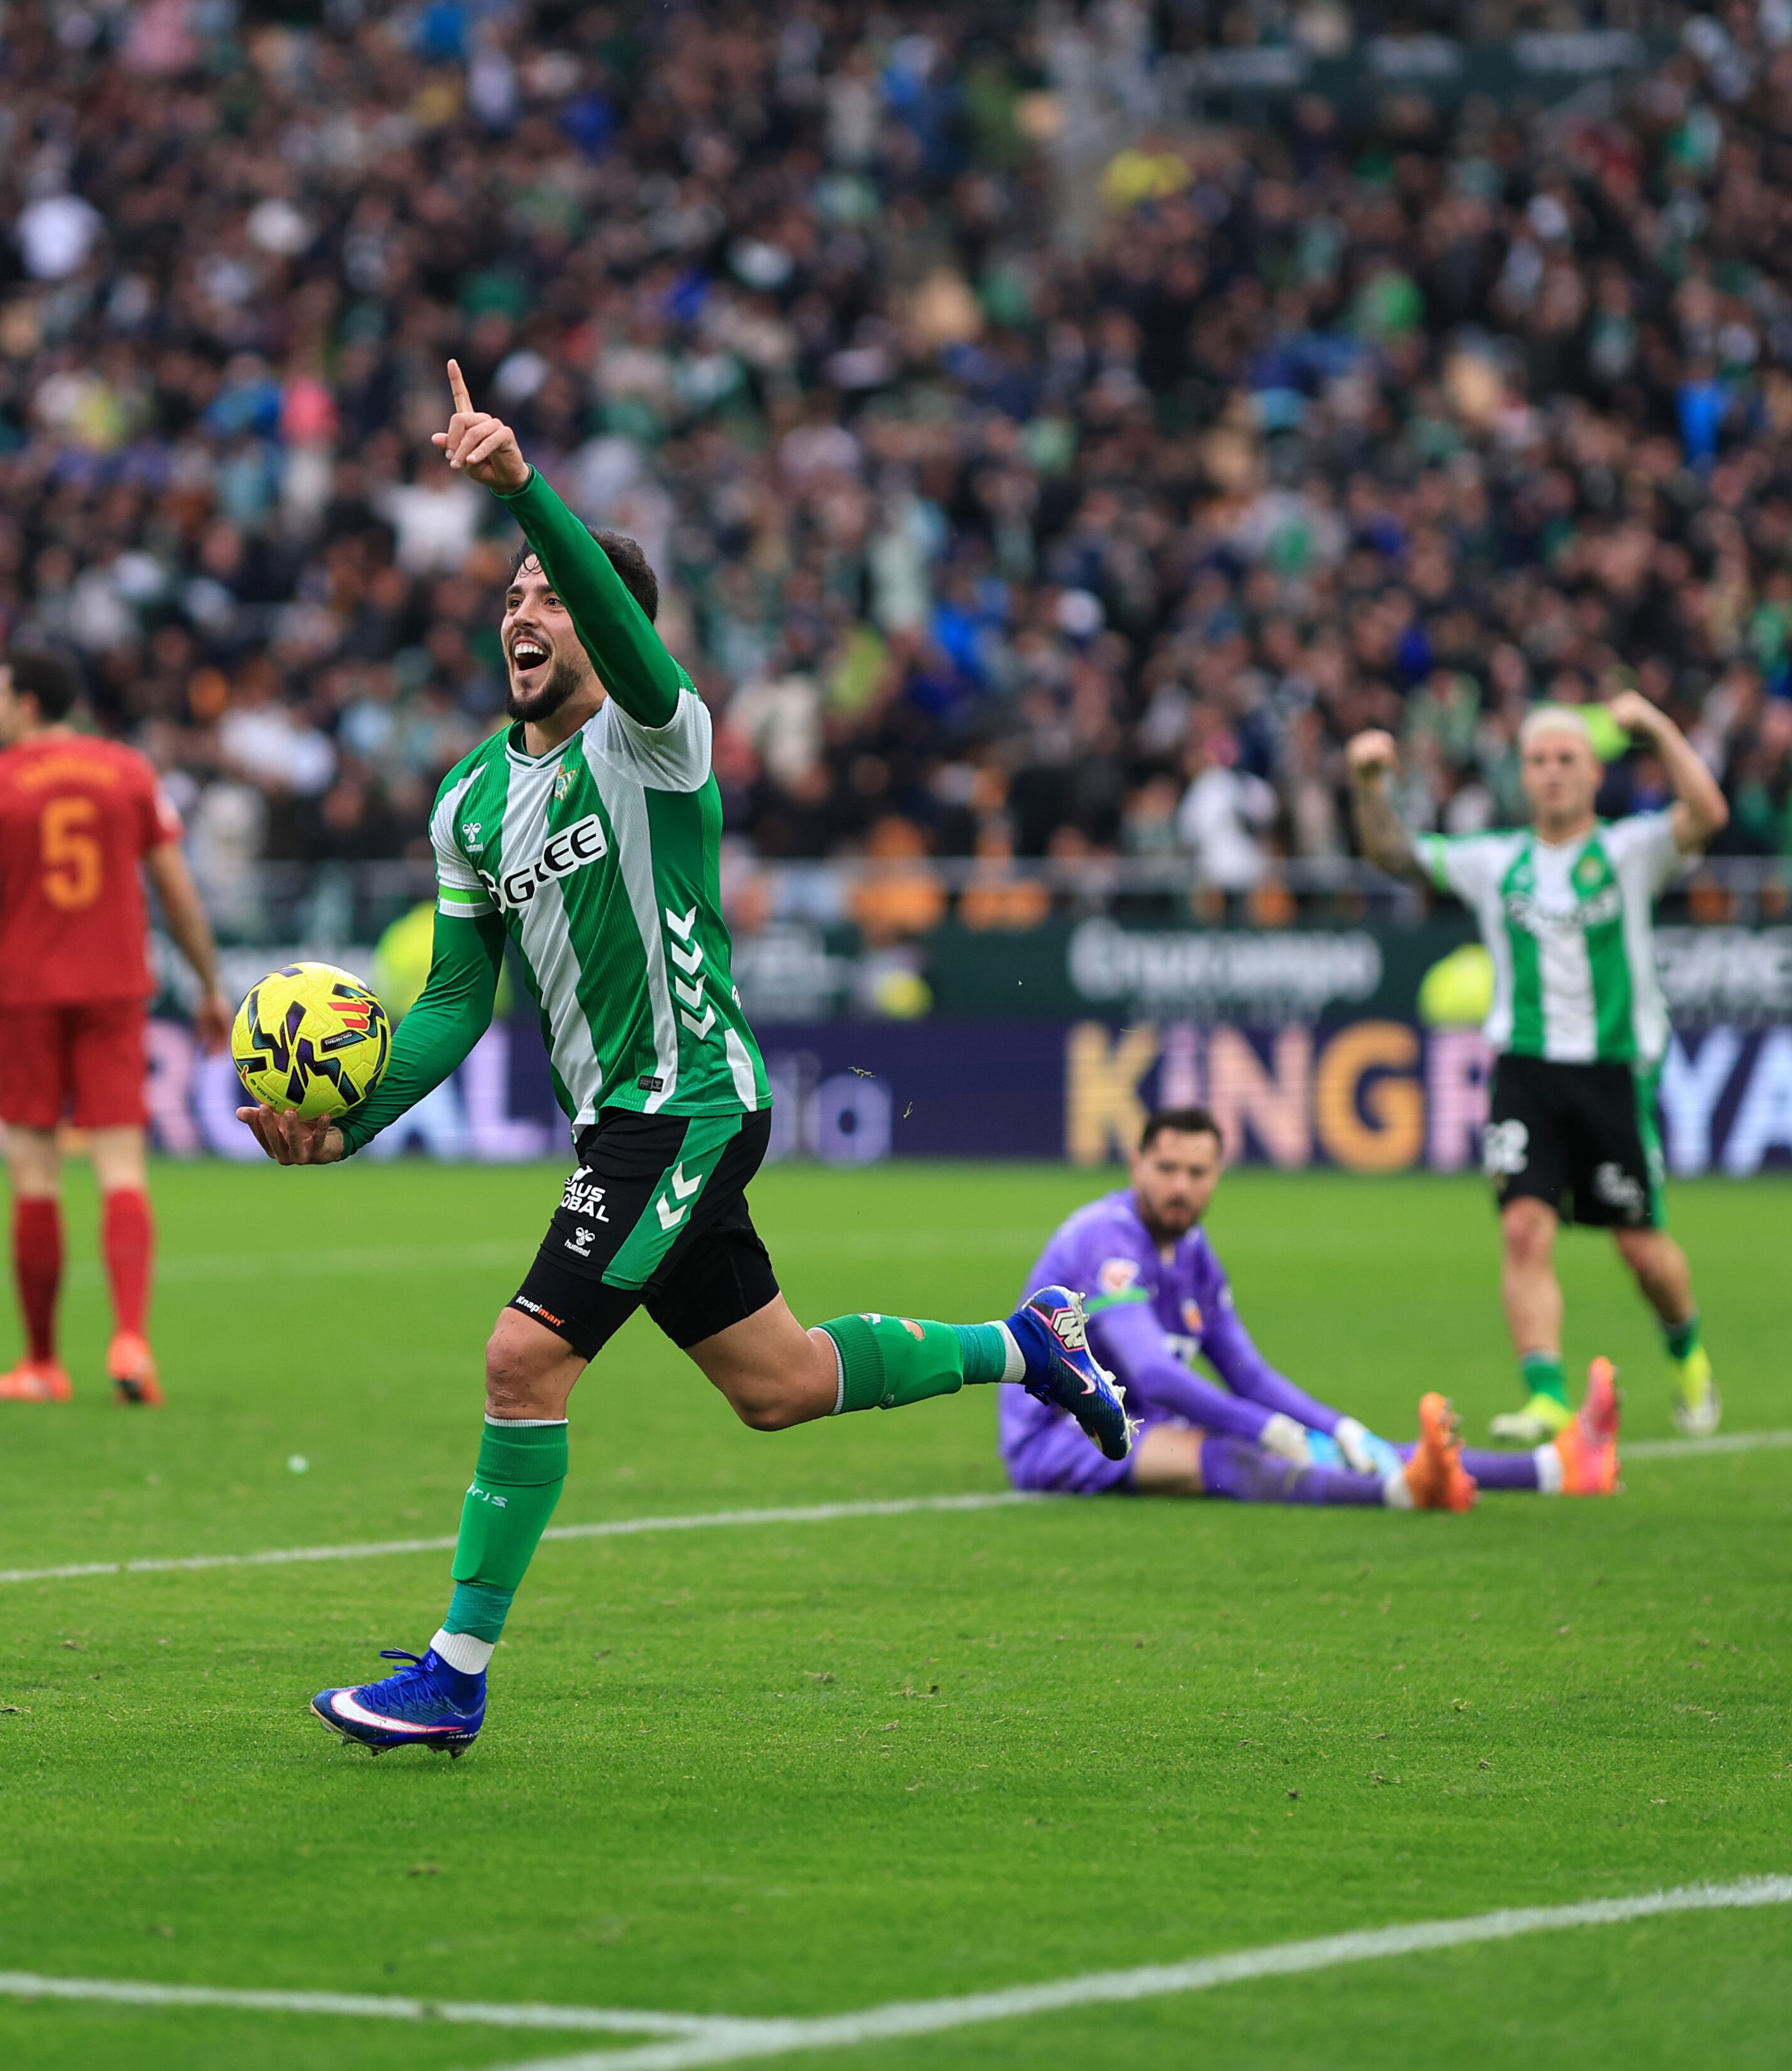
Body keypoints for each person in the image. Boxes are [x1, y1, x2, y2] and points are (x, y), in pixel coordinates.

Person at [241, 365, 1137, 1758]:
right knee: (773, 1383)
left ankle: (453, 1672)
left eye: (550, 594)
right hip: (621, 1120)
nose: (520, 610)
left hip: (687, 1103)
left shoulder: (658, 740)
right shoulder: (470, 800)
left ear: (609, 627)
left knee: (520, 1357)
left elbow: (625, 639)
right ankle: (1027, 1340)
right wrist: (349, 1122)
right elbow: (457, 1002)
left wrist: (527, 494)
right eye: (511, 594)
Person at [1349, 698, 1729, 1444]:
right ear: (1521, 775)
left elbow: (1707, 813)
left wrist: (1656, 727)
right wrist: (1365, 783)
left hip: (1612, 1068)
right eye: (1537, 762)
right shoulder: (1494, 861)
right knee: (1524, 1227)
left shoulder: (1630, 851)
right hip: (1523, 1066)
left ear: (1593, 772)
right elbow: (1391, 855)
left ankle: (1686, 1353)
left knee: (1640, 1247)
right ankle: (1547, 1395)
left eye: (1565, 760)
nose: (1551, 774)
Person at [1005, 1108, 1619, 1511]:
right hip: (1060, 1437)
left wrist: (1340, 1428)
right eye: (1165, 1169)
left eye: (1197, 1172)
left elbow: (1246, 1374)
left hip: (1133, 1423)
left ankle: (1554, 1468)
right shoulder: (1105, 1239)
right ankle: (1400, 1495)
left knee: (1345, 1446)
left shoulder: (1192, 1251)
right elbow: (1153, 1376)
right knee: (1235, 1454)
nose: (1180, 1187)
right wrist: (1269, 1428)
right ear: (1135, 1164)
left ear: (1218, 1175)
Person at [0, 645, 229, 1406]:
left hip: (24, 997)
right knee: (121, 1168)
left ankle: (42, 1363)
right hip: (114, 989)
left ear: (29, 703)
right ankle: (131, 1340)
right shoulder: (128, 772)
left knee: (35, 1175)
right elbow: (176, 892)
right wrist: (208, 984)